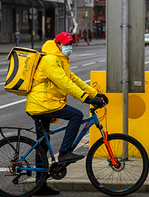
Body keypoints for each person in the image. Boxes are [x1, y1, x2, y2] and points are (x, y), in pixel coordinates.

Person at [26, 32, 108, 196]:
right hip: (42, 103)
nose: (69, 47)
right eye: (65, 44)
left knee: (42, 143)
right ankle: (64, 153)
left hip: (46, 102)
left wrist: (94, 93)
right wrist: (87, 99)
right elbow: (64, 83)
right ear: (57, 45)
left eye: (70, 44)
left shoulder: (60, 60)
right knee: (76, 115)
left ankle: (40, 185)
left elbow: (73, 79)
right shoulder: (50, 60)